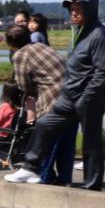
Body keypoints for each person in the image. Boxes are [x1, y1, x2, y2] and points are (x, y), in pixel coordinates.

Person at [7, 0, 105, 190]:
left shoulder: (99, 35)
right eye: (72, 9)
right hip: (69, 94)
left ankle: (91, 186)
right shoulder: (79, 32)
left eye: (78, 9)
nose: (74, 13)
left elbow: (102, 72)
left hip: (90, 97)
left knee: (91, 143)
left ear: (90, 10)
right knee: (44, 124)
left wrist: (87, 97)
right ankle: (30, 168)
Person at [6, 24, 70, 183]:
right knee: (66, 141)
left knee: (46, 135)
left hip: (53, 98)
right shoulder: (42, 46)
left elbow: (23, 86)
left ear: (9, 43)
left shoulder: (20, 55)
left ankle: (40, 175)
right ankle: (64, 178)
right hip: (74, 94)